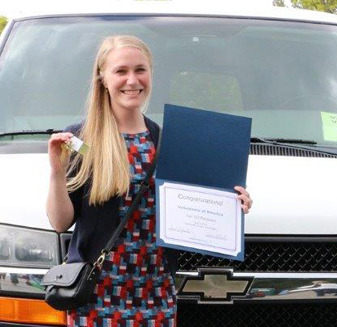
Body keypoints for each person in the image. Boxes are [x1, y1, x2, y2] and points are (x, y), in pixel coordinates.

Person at [47, 35, 252, 327]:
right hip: (97, 293)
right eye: (121, 71)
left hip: (156, 291)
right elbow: (59, 222)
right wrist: (56, 172)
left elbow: (196, 207)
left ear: (151, 74)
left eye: (140, 69)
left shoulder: (168, 141)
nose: (132, 80)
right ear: (103, 78)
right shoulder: (82, 141)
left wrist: (232, 205)